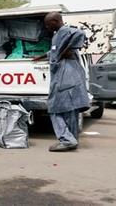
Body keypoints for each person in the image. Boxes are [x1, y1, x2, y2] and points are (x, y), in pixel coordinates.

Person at [33, 12, 90, 152]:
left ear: (55, 20)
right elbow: (55, 51)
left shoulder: (65, 30)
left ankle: (67, 140)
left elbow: (80, 33)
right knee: (69, 110)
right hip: (69, 77)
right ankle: (73, 139)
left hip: (65, 77)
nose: (47, 27)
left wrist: (71, 49)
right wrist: (42, 56)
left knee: (54, 108)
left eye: (48, 24)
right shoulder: (58, 34)